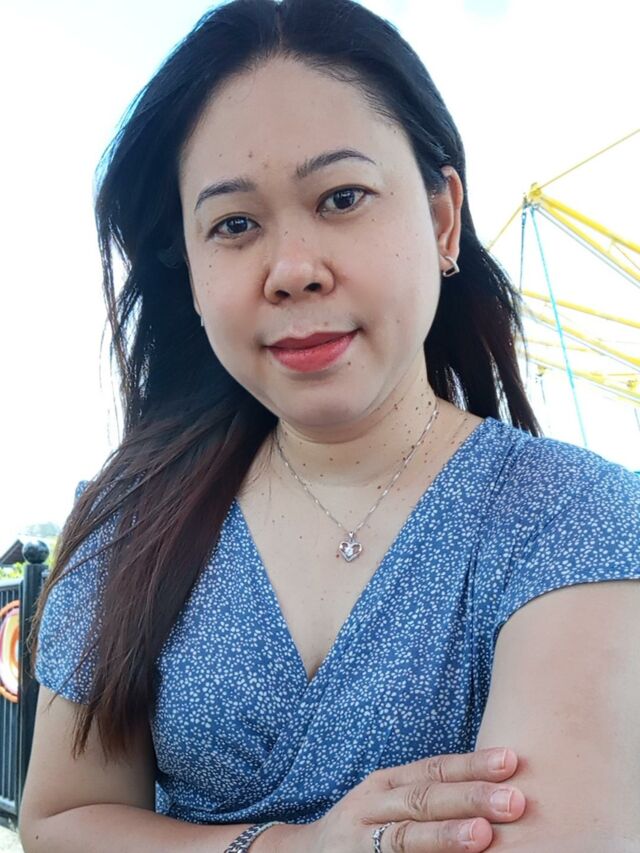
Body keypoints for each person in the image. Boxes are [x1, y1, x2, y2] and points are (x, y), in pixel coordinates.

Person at [19, 0, 640, 851]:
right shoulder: (134, 524)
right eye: (235, 224)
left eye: (342, 197)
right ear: (191, 272)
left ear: (442, 218)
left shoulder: (572, 518)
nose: (293, 269)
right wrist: (291, 846)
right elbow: (60, 819)